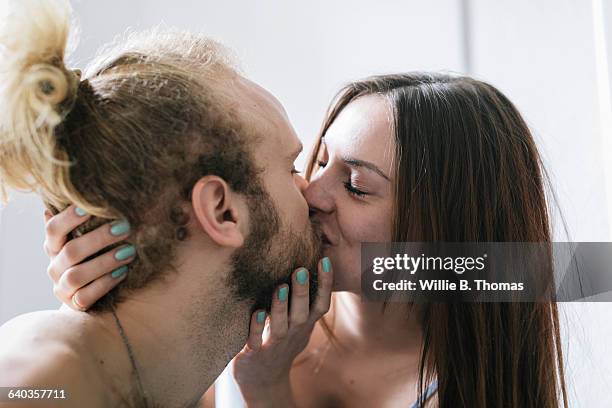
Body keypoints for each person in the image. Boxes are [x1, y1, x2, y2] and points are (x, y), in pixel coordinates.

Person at [48, 72, 570, 407]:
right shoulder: (262, 274)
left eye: (357, 186)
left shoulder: (453, 387)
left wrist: (266, 387)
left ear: (443, 231)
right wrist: (118, 278)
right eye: (318, 161)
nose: (310, 192)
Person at [0, 1, 331, 407]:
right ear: (221, 211)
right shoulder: (40, 380)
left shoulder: (170, 384)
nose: (312, 190)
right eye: (291, 167)